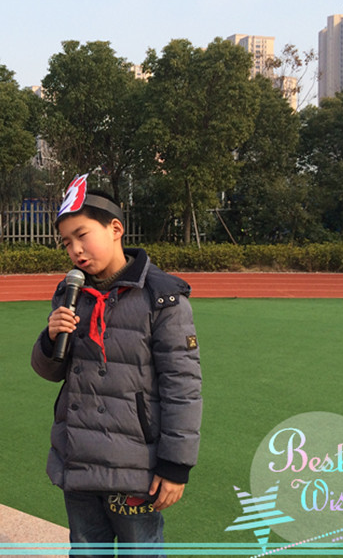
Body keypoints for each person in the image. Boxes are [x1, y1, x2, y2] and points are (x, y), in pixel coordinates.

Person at [31, 175, 202, 558]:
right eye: (66, 242)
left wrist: (175, 465)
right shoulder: (70, 293)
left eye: (81, 235)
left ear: (115, 229)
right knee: (85, 551)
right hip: (79, 460)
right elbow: (50, 371)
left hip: (135, 468)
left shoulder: (163, 299)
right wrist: (50, 338)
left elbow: (183, 387)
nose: (75, 250)